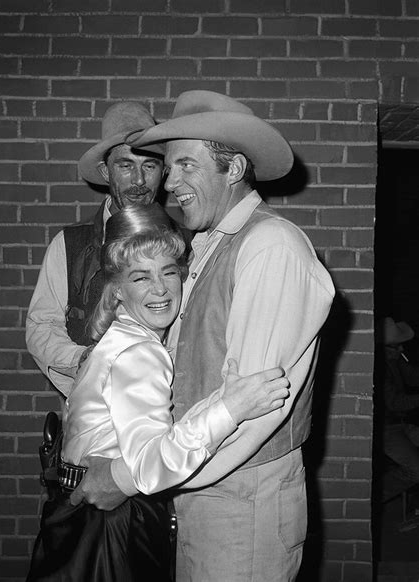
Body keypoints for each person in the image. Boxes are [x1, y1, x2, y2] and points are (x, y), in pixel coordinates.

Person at [74, 90, 335, 581]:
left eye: (185, 166)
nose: (169, 183)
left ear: (233, 168)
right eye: (169, 168)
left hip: (241, 499)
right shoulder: (211, 244)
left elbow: (252, 409)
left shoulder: (270, 247)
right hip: (200, 484)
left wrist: (128, 478)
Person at [26, 203, 290, 582]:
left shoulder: (122, 337)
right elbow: (150, 467)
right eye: (141, 277)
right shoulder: (140, 353)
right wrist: (231, 407)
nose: (160, 289)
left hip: (79, 510)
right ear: (117, 290)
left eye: (168, 271)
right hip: (111, 523)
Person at [26, 101, 165, 398]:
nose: (139, 181)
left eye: (149, 166)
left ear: (163, 173)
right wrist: (82, 361)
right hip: (90, 412)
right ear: (105, 172)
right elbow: (41, 326)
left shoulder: (187, 242)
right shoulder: (69, 245)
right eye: (126, 166)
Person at [377, 317, 419, 502]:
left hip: (401, 425)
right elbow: (395, 403)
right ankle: (371, 499)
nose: (402, 349)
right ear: (385, 347)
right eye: (397, 346)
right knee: (416, 471)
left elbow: (413, 379)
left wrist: (405, 365)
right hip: (386, 430)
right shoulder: (380, 369)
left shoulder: (394, 360)